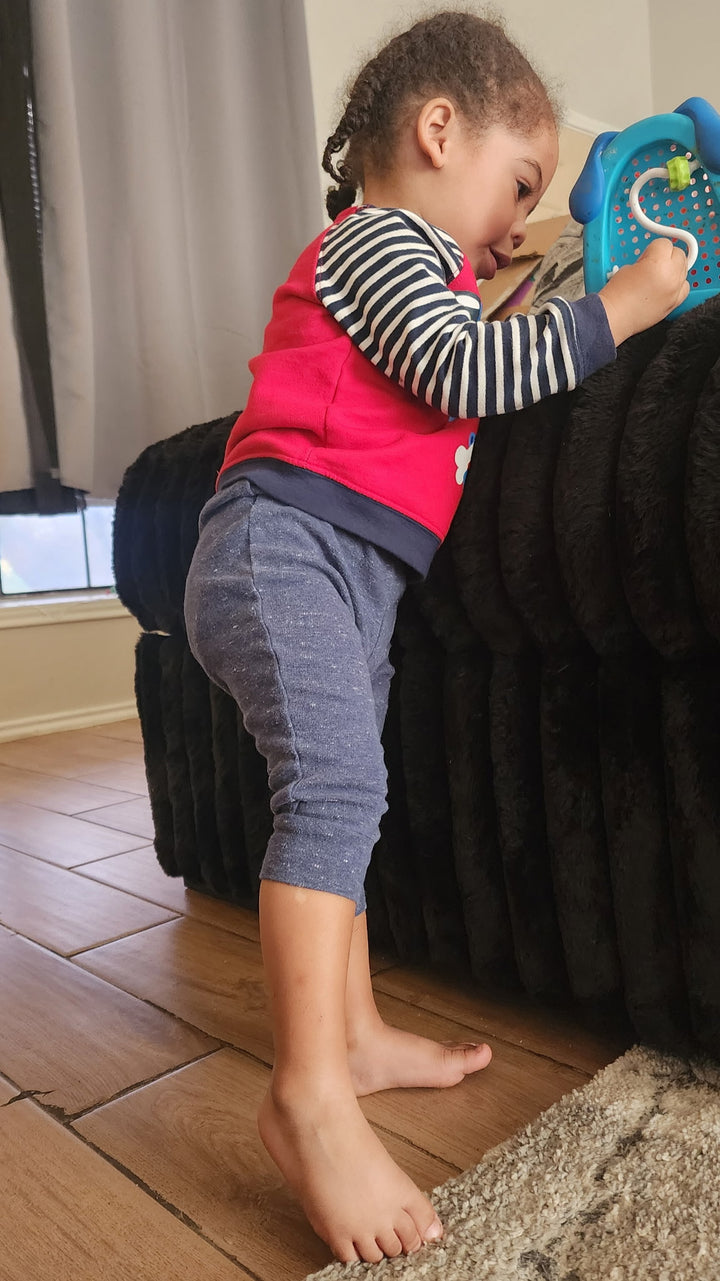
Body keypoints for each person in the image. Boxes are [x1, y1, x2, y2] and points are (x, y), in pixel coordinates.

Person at [184, 9, 689, 1265]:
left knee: (348, 794)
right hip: (283, 547)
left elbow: (459, 347)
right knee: (333, 793)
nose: (519, 222)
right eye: (520, 183)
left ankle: (351, 1034)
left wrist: (524, 291)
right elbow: (464, 370)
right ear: (439, 130)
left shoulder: (431, 266)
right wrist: (617, 309)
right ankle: (308, 1095)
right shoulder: (381, 240)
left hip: (349, 568)